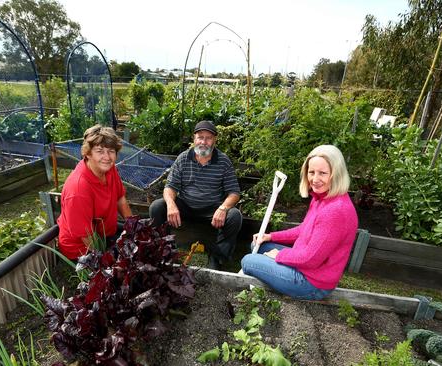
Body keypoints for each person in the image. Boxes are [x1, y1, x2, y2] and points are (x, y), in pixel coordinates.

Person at [241, 145, 358, 300]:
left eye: (322, 173)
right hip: (303, 265)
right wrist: (270, 237)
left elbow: (310, 259)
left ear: (336, 174)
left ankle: (273, 288)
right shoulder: (321, 198)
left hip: (311, 282)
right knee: (258, 245)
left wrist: (279, 255)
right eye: (311, 172)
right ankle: (274, 281)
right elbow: (304, 229)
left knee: (248, 261)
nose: (315, 179)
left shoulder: (335, 211)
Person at [149, 120, 242, 270]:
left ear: (214, 140)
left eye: (208, 138)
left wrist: (223, 208)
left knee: (235, 216)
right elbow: (170, 187)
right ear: (194, 139)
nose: (203, 142)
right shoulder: (183, 158)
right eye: (200, 137)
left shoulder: (224, 161)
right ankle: (165, 250)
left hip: (212, 210)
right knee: (157, 207)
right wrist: (172, 205)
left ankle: (218, 257)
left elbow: (234, 192)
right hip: (186, 206)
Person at [57, 125, 132, 260]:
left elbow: (120, 198)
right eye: (99, 151)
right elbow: (85, 236)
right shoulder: (78, 188)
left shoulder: (109, 169)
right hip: (81, 249)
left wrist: (134, 228)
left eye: (111, 151)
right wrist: (104, 261)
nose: (107, 157)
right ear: (88, 153)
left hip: (104, 234)